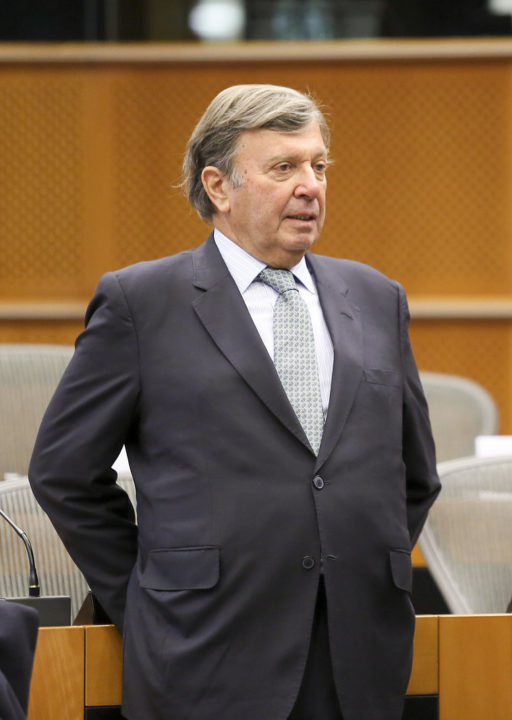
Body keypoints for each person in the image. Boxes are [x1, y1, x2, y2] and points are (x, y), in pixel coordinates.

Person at [29, 84, 440, 720]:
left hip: (357, 658)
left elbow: (414, 474)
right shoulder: (142, 303)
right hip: (203, 655)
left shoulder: (376, 296)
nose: (311, 186)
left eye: (319, 165)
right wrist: (147, 596)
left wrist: (354, 564)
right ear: (219, 187)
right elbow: (63, 473)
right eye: (284, 168)